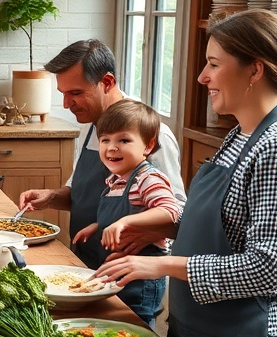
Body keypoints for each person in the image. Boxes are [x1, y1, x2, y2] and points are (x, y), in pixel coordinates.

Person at [96, 9, 277, 337]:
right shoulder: (242, 133)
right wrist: (155, 229)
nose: (202, 76)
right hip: (202, 325)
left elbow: (268, 267)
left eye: (214, 64)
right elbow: (221, 222)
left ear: (254, 70)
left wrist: (160, 263)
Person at [18, 39, 186, 266]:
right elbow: (84, 193)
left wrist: (146, 233)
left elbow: (180, 214)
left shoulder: (152, 134)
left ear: (107, 82)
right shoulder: (90, 125)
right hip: (84, 260)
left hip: (127, 271)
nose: (67, 104)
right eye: (63, 93)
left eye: (75, 93)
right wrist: (52, 197)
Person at [70, 99, 182, 327]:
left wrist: (126, 221)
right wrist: (97, 226)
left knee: (138, 325)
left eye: (124, 140)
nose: (112, 147)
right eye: (105, 140)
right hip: (120, 272)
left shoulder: (148, 178)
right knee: (118, 323)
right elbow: (115, 214)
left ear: (148, 146)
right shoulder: (115, 181)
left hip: (142, 278)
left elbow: (170, 210)